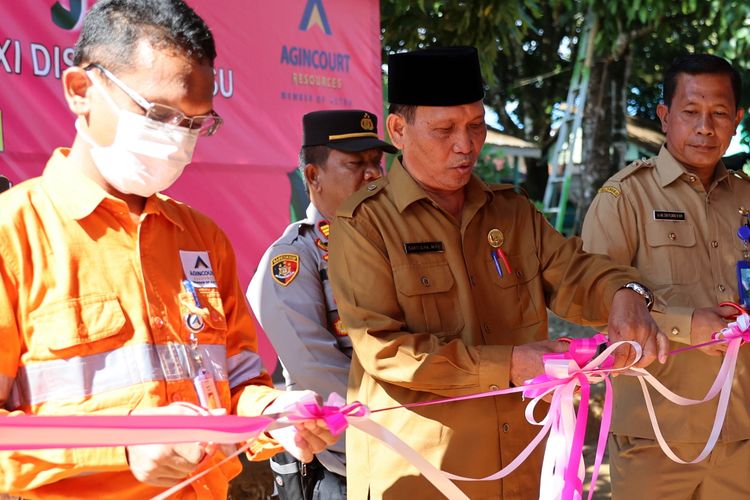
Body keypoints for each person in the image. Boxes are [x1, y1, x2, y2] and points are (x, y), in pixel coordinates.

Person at [0, 1, 335, 498]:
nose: (176, 140)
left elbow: (239, 382)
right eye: (158, 114)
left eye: (194, 124)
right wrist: (123, 447)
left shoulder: (202, 238)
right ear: (80, 91)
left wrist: (274, 416)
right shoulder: (14, 235)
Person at [327, 45, 669, 499]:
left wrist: (626, 292)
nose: (465, 145)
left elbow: (576, 274)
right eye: (444, 130)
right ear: (398, 130)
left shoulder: (512, 212)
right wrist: (509, 364)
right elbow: (384, 349)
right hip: (424, 475)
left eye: (475, 125)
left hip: (522, 465)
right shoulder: (365, 224)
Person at [582, 53, 750, 499]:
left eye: (718, 114)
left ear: (737, 119)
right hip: (655, 436)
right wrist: (685, 324)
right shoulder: (624, 198)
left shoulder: (746, 196)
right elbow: (594, 300)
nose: (705, 127)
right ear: (664, 116)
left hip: (742, 434)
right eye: (691, 112)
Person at [248, 109, 396, 499]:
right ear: (313, 176)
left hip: (416, 450)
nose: (372, 174)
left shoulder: (393, 241)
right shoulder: (295, 257)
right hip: (352, 465)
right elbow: (315, 368)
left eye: (375, 163)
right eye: (355, 164)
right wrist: (404, 425)